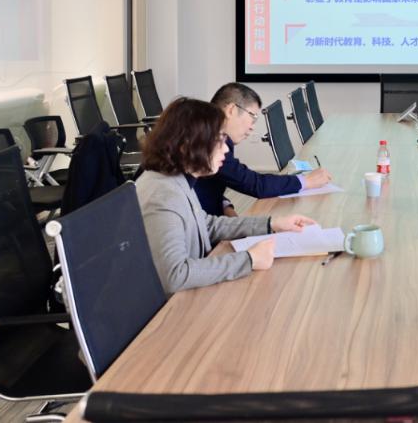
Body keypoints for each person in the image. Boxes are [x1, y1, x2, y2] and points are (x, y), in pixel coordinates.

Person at [135, 97, 316, 294]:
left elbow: (207, 226)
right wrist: (249, 259)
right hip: (173, 306)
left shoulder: (177, 179)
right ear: (187, 145)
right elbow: (176, 275)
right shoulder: (163, 196)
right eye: (219, 140)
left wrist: (272, 223)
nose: (226, 148)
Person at [192, 83, 333, 217]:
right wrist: (305, 181)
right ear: (231, 110)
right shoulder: (209, 141)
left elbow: (208, 185)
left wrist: (226, 207)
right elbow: (255, 185)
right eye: (252, 117)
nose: (252, 127)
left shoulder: (204, 133)